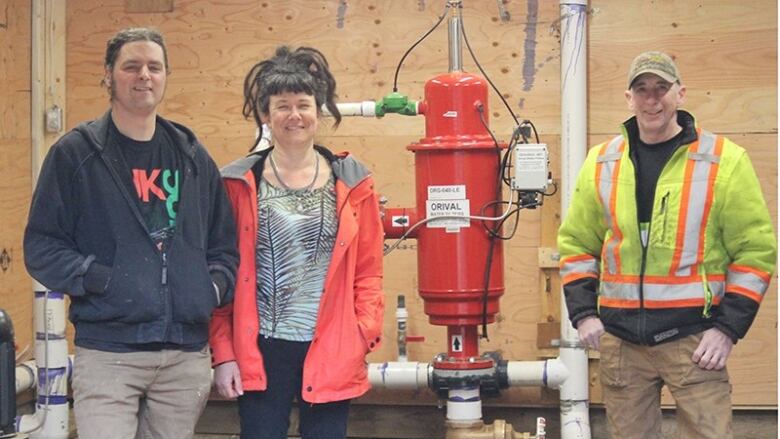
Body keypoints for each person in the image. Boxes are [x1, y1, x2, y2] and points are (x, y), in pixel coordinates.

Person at [23, 27, 239, 439]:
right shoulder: (76, 154)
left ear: (165, 76)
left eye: (154, 67)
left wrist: (207, 289)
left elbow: (223, 245)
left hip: (183, 356)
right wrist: (100, 279)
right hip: (109, 353)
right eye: (131, 66)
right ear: (109, 75)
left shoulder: (192, 155)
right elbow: (43, 245)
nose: (144, 75)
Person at [558, 51, 776, 439]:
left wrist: (727, 329)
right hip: (621, 342)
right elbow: (576, 244)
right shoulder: (602, 161)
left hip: (694, 341)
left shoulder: (723, 160)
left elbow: (755, 253)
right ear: (629, 98)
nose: (652, 99)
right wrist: (583, 314)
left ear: (681, 93)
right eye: (642, 89)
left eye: (662, 88)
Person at [209, 46, 385, 439]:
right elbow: (222, 271)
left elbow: (369, 271)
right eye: (282, 106)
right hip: (260, 348)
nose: (294, 116)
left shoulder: (354, 182)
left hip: (332, 346)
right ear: (265, 116)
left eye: (303, 104)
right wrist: (224, 353)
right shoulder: (237, 184)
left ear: (319, 112)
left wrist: (362, 332)